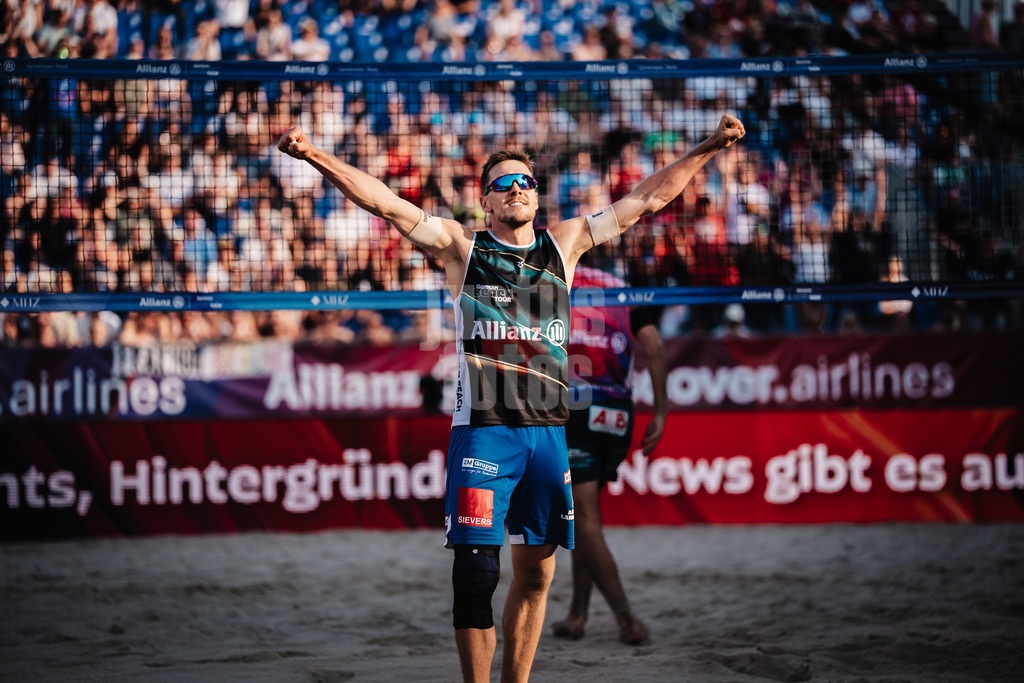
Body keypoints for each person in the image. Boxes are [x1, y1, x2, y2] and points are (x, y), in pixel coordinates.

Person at [277, 113, 745, 683]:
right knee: (475, 576)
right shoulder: (461, 249)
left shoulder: (565, 245)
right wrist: (314, 155)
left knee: (536, 576)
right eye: (504, 183)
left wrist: (710, 146)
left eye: (525, 181)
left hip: (548, 436)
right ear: (486, 201)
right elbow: (385, 204)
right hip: (483, 433)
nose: (518, 188)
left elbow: (647, 199)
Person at [552, 264, 668, 646]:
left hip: (577, 404)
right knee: (587, 513)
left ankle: (626, 618)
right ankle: (578, 614)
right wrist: (661, 412)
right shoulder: (622, 286)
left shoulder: (549, 274)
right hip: (619, 410)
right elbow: (654, 347)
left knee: (584, 518)